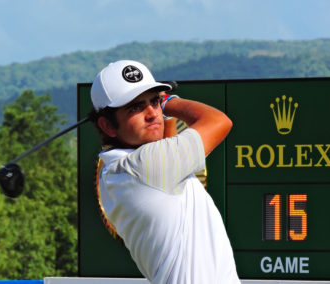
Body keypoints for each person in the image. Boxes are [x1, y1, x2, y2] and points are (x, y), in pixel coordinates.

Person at [90, 60, 240, 283]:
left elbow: (164, 142)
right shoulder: (145, 165)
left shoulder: (115, 171)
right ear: (108, 126)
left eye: (154, 102)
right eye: (136, 107)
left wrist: (163, 114)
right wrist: (169, 102)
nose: (152, 113)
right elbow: (219, 121)